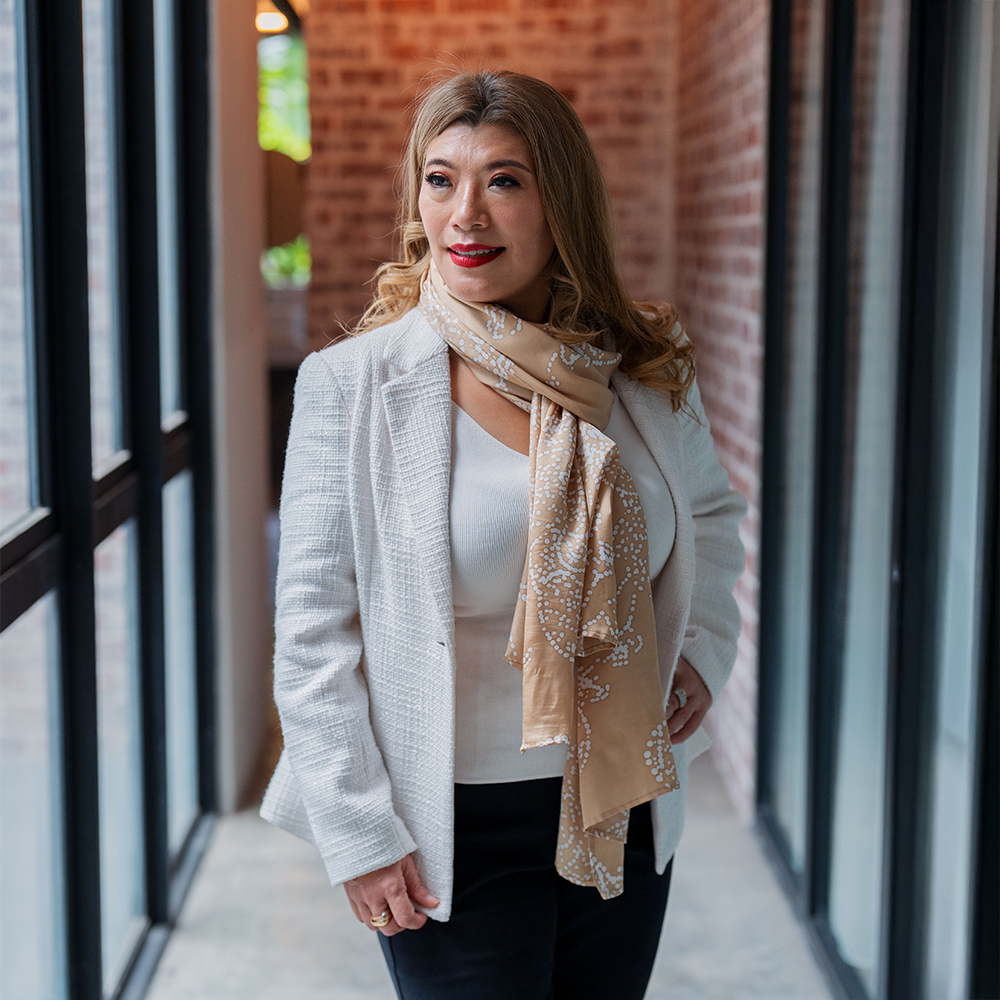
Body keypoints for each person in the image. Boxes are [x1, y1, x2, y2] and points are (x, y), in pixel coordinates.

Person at [261, 70, 746, 1000]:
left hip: (618, 803)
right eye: (440, 180)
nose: (466, 214)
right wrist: (361, 834)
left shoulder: (639, 373)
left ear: (560, 201)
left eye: (505, 180)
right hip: (449, 827)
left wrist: (703, 655)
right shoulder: (355, 387)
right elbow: (315, 633)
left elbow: (714, 519)